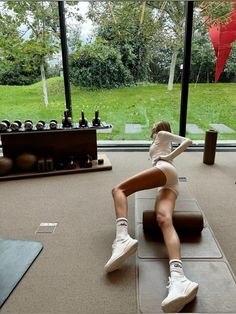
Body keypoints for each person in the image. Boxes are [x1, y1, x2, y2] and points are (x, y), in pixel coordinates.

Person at [104, 120, 199, 313]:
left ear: (160, 127)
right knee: (164, 220)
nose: (153, 127)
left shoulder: (162, 135)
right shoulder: (158, 140)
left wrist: (167, 156)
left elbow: (188, 141)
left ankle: (122, 238)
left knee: (119, 190)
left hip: (165, 170)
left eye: (155, 125)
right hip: (169, 183)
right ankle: (180, 279)